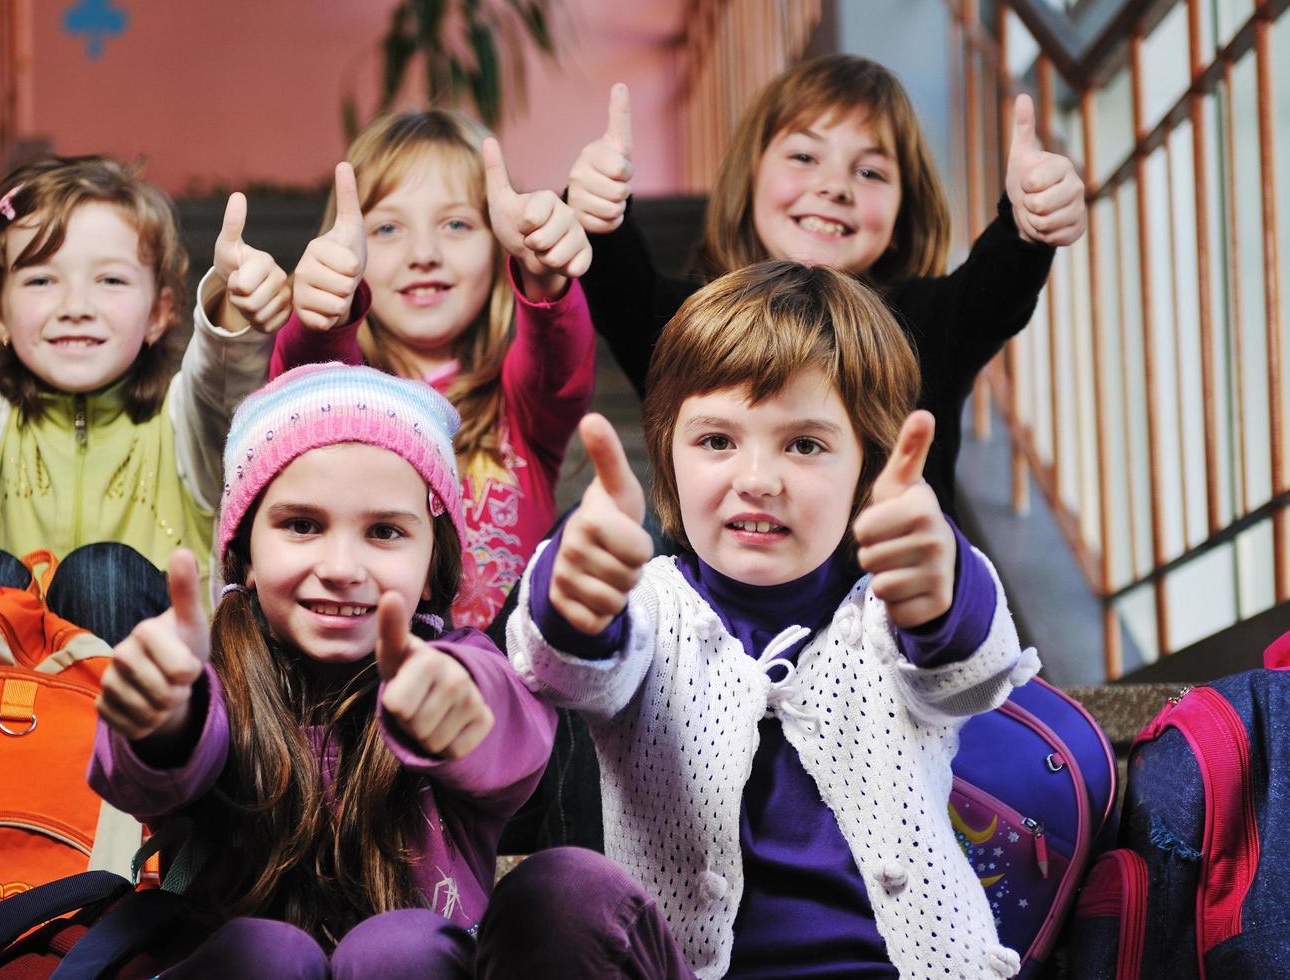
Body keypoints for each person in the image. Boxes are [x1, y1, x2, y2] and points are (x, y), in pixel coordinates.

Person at [494, 262, 1038, 979]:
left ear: (868, 467)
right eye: (717, 441)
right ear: (669, 454)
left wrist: (942, 586)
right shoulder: (654, 605)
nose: (757, 478)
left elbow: (969, 674)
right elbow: (567, 668)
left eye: (804, 444)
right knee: (552, 888)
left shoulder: (890, 607)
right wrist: (575, 589)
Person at [90, 363, 557, 977]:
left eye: (385, 531)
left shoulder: (463, 668)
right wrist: (166, 722)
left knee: (400, 948)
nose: (341, 566)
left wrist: (455, 712)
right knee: (268, 952)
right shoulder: (214, 683)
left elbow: (511, 738)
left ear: (430, 568)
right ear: (245, 555)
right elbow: (145, 778)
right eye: (302, 526)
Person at [566, 55, 1086, 515]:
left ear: (905, 209)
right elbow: (620, 293)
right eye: (804, 157)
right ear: (750, 176)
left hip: (900, 617)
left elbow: (990, 298)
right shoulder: (693, 322)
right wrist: (597, 211)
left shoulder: (926, 325)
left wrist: (1024, 229)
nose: (835, 186)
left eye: (870, 173)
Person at [0, 155, 289, 621]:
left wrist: (236, 308)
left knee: (103, 573)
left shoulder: (185, 435)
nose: (76, 305)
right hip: (7, 690)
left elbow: (222, 382)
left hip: (146, 685)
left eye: (110, 279)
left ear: (159, 313)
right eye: (41, 279)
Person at [277, 109, 596, 631]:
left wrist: (544, 279)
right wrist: (322, 320)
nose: (423, 253)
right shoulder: (342, 391)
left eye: (456, 224)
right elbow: (308, 393)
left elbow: (557, 363)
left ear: (498, 245)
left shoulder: (519, 406)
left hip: (506, 691)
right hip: (363, 682)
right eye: (386, 228)